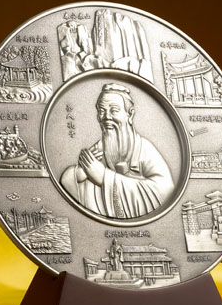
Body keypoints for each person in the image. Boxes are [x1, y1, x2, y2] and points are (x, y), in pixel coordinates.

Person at [60, 83, 174, 218]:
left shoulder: (144, 149)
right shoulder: (99, 149)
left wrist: (104, 178)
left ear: (130, 114)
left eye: (114, 110)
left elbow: (165, 190)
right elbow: (66, 182)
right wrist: (79, 174)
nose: (106, 117)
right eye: (101, 111)